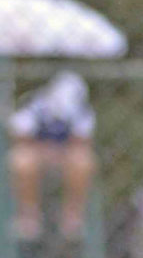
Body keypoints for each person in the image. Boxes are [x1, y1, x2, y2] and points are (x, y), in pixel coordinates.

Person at [8, 70, 97, 245]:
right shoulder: (34, 106)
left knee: (83, 160)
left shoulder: (82, 111)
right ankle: (28, 215)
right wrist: (46, 151)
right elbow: (21, 137)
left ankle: (73, 215)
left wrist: (58, 153)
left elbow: (81, 142)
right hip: (38, 156)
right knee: (21, 159)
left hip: (66, 158)